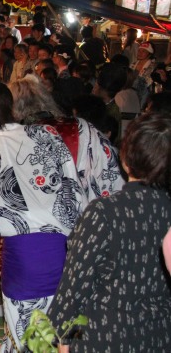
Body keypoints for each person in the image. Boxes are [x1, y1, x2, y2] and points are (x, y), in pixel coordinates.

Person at [0, 79, 90, 353]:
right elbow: (74, 190)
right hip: (72, 254)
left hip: (26, 261)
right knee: (64, 338)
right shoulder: (46, 136)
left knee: (31, 340)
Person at [48, 113, 171, 352]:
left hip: (104, 333)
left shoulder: (105, 212)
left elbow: (74, 285)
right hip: (160, 334)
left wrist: (60, 336)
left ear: (124, 159)